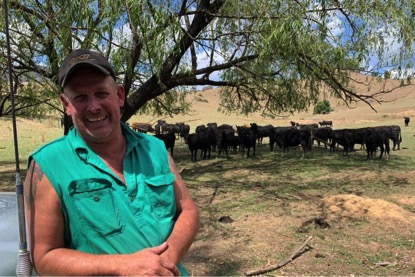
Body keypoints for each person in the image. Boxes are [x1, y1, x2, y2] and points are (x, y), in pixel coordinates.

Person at [24, 49, 200, 276]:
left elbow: (188, 210)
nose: (94, 106)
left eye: (101, 93)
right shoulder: (47, 165)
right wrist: (124, 266)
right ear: (66, 104)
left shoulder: (155, 148)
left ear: (119, 95)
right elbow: (43, 258)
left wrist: (166, 259)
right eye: (80, 97)